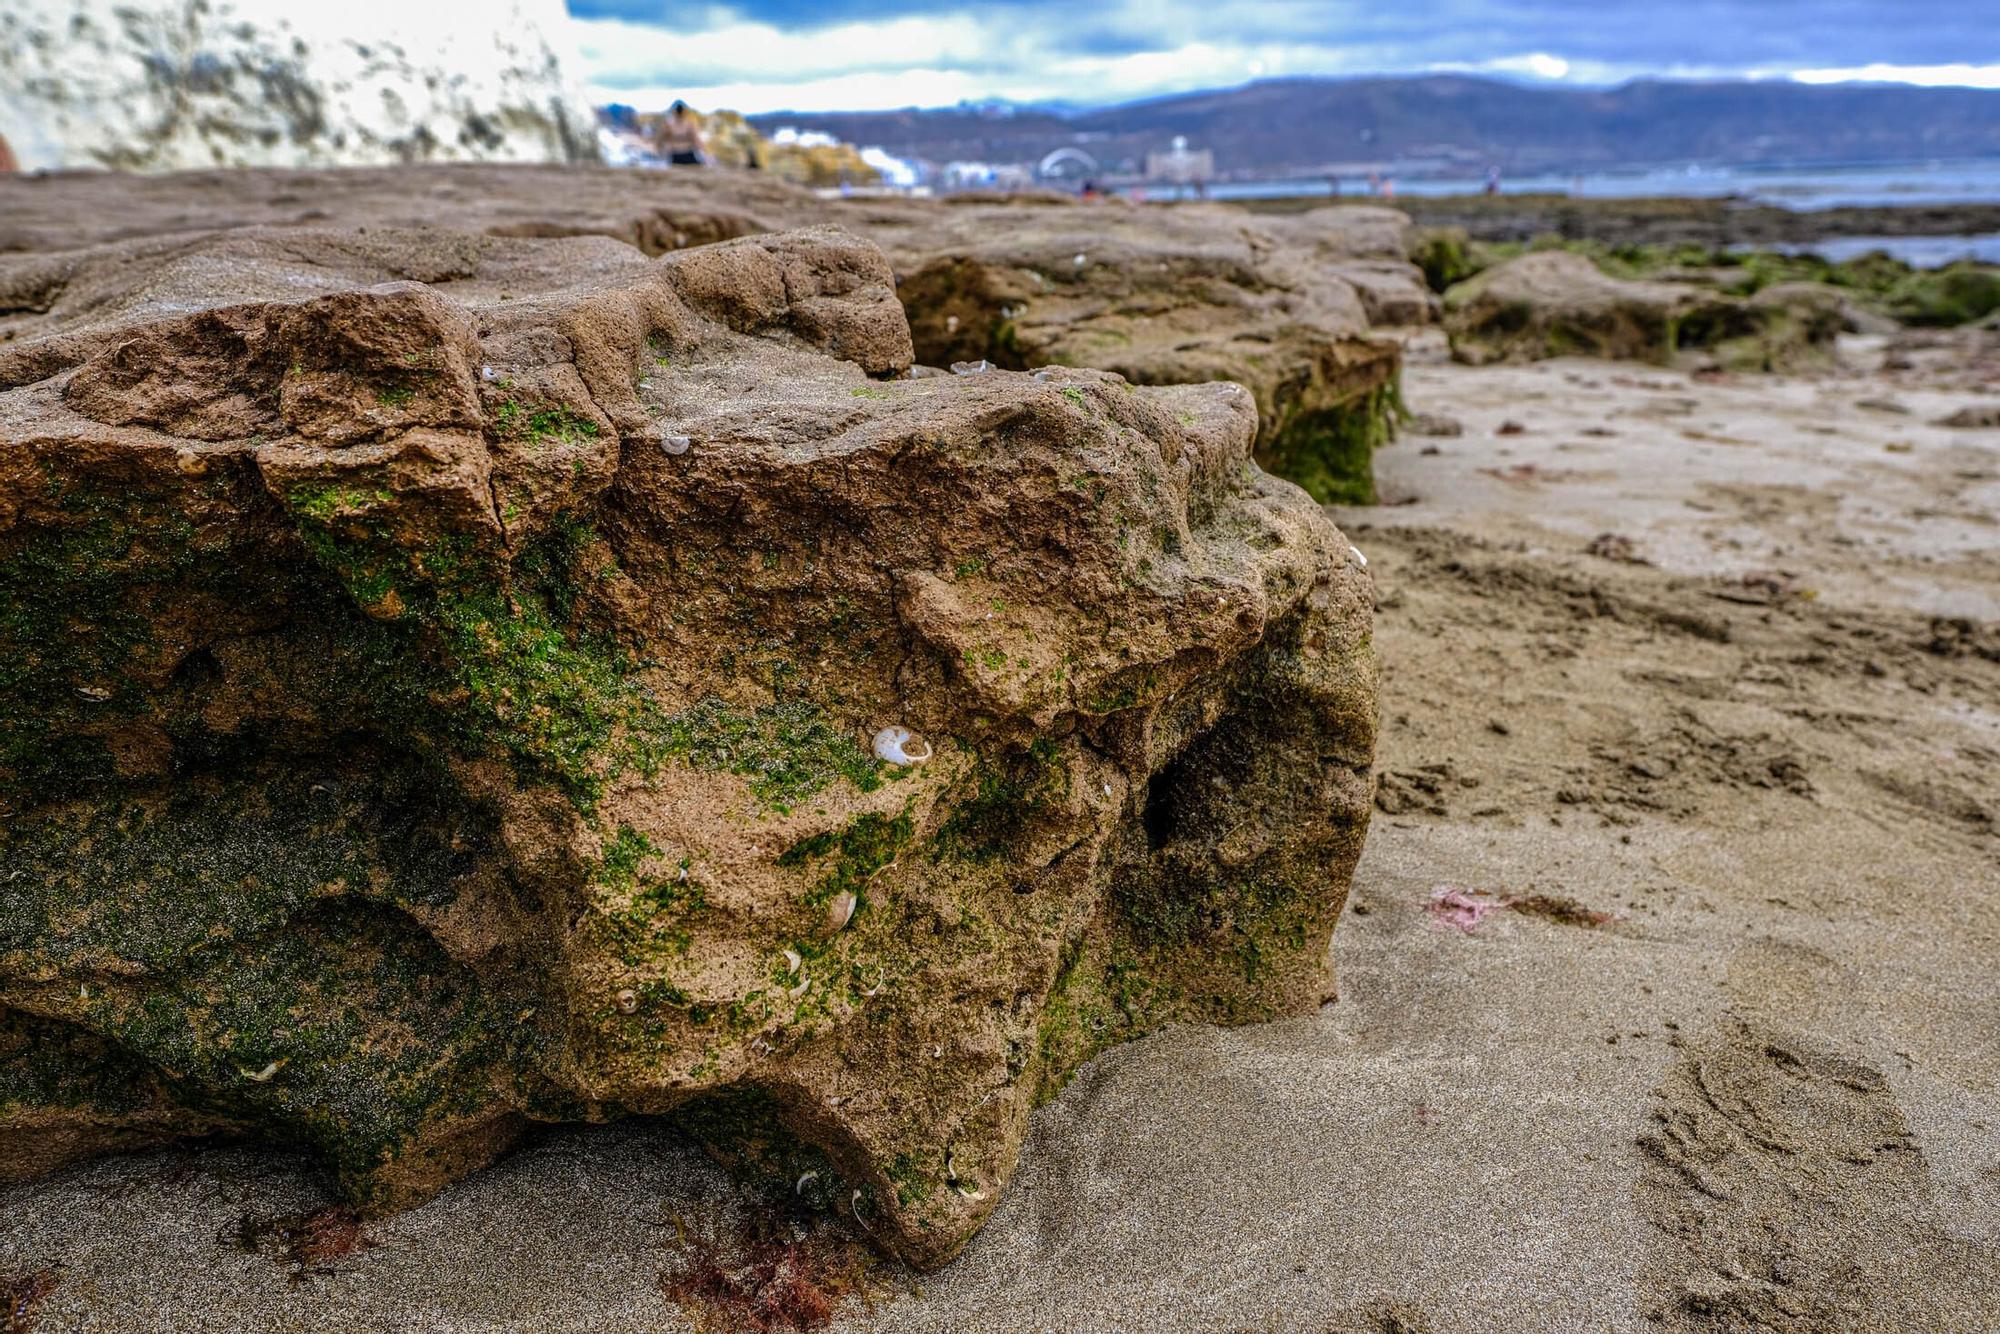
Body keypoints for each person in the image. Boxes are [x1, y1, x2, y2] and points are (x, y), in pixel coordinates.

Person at [652, 101, 706, 166]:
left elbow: (659, 141)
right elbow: (697, 141)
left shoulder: (687, 124)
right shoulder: (670, 125)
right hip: (677, 155)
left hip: (683, 154)